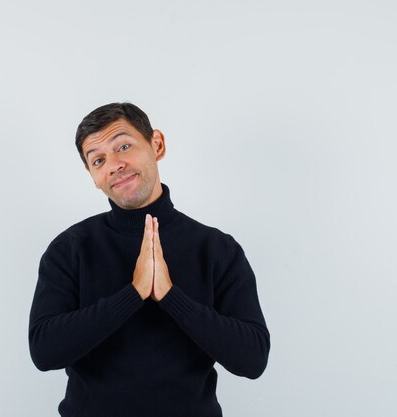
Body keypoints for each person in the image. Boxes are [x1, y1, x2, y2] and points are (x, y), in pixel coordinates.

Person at [28, 102, 270, 416]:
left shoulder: (217, 249)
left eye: (123, 146)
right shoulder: (70, 248)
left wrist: (170, 296)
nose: (114, 165)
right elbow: (45, 352)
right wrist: (133, 293)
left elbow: (252, 360)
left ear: (157, 144)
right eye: (98, 160)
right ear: (93, 176)